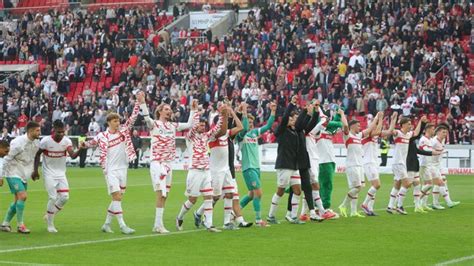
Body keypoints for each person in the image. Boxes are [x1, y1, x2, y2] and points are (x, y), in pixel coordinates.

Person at [81, 92, 145, 235]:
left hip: (123, 168)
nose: (118, 123)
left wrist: (138, 103)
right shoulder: (102, 136)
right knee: (116, 197)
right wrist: (82, 144)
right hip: (110, 170)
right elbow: (91, 143)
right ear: (109, 122)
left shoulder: (123, 131)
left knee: (118, 197)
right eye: (115, 121)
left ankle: (106, 224)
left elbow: (133, 118)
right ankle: (123, 226)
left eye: (118, 120)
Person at [141, 99, 198, 234]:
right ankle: (159, 225)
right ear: (160, 111)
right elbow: (147, 119)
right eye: (166, 109)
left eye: (169, 109)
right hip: (157, 163)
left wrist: (193, 109)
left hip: (168, 164)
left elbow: (190, 124)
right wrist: (142, 103)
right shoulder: (154, 124)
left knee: (165, 195)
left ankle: (157, 224)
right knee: (160, 193)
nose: (169, 111)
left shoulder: (173, 125)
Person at [194, 102, 247, 230]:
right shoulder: (213, 136)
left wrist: (232, 113)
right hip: (216, 171)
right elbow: (222, 129)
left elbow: (240, 127)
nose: (227, 124)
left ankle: (227, 222)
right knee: (215, 196)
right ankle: (201, 214)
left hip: (226, 169)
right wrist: (223, 114)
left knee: (230, 194)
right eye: (225, 121)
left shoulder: (227, 133)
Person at [175, 106, 228, 233]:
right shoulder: (190, 137)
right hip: (195, 171)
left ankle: (209, 224)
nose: (202, 127)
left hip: (206, 172)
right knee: (192, 199)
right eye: (200, 125)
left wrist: (222, 114)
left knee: (209, 197)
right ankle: (179, 217)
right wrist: (196, 112)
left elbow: (216, 129)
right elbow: (193, 128)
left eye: (204, 125)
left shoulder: (206, 137)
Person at [33, 120, 81, 233]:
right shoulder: (45, 141)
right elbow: (37, 154)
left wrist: (80, 149)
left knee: (65, 197)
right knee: (53, 197)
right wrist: (35, 170)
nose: (61, 134)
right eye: (59, 132)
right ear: (53, 130)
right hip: (48, 173)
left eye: (63, 132)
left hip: (61, 173)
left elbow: (73, 156)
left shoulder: (66, 141)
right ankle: (50, 224)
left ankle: (49, 214)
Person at [267, 96, 308, 224]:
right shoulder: (282, 130)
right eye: (289, 118)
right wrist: (291, 104)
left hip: (294, 165)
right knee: (280, 190)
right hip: (284, 164)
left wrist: (306, 111)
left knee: (297, 190)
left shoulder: (295, 131)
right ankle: (271, 215)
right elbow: (284, 119)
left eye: (292, 118)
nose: (291, 120)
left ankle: (292, 216)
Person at [237, 102, 276, 226]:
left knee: (251, 195)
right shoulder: (240, 135)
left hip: (256, 167)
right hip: (248, 168)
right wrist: (243, 112)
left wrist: (273, 111)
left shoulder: (254, 133)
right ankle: (258, 220)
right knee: (258, 193)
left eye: (252, 123)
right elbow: (243, 128)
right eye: (248, 122)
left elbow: (268, 125)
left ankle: (234, 212)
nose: (251, 124)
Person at [0, 121, 41, 234]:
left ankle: (5, 224)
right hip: (12, 172)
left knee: (18, 200)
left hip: (23, 174)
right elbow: (6, 158)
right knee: (23, 196)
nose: (39, 132)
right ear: (30, 131)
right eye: (37, 130)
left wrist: (34, 171)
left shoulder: (36, 143)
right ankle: (20, 225)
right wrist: (1, 175)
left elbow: (32, 158)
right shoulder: (18, 143)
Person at [339, 112, 380, 218]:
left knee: (358, 187)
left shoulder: (359, 136)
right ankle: (343, 205)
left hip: (360, 164)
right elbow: (345, 125)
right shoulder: (348, 135)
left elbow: (370, 129)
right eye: (358, 125)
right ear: (352, 126)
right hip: (352, 165)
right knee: (357, 187)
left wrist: (376, 118)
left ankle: (353, 212)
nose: (360, 127)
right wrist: (343, 114)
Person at [360, 112, 397, 216]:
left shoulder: (375, 135)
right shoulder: (367, 134)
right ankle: (364, 204)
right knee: (377, 185)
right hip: (368, 162)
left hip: (374, 163)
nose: (377, 127)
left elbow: (389, 131)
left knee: (374, 186)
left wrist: (393, 119)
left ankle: (370, 209)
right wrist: (379, 119)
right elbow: (377, 132)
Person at [386, 116, 423, 214]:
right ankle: (399, 206)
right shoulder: (398, 133)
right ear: (403, 125)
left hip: (401, 163)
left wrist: (420, 121)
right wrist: (393, 120)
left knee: (397, 184)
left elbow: (416, 132)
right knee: (407, 183)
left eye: (411, 124)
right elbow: (391, 131)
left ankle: (390, 206)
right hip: (398, 163)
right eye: (409, 124)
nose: (410, 126)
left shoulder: (408, 135)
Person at [429, 124, 460, 209]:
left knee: (440, 183)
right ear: (438, 132)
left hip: (438, 165)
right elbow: (427, 152)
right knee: (441, 182)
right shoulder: (433, 141)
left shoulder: (442, 140)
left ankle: (435, 203)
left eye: (446, 132)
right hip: (432, 165)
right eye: (443, 132)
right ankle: (448, 202)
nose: (445, 134)